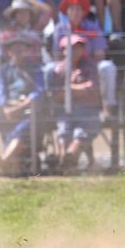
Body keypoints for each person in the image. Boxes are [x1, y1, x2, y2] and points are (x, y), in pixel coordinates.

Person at [53, 0, 117, 115]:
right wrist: (71, 62)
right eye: (72, 9)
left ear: (83, 12)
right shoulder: (60, 29)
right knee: (49, 69)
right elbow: (57, 55)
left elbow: (100, 53)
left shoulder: (93, 27)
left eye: (78, 9)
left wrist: (83, 58)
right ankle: (51, 108)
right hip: (67, 64)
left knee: (107, 67)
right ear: (66, 12)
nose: (75, 12)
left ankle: (108, 108)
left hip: (90, 64)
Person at [50, 34, 101, 172]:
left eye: (79, 47)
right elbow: (57, 95)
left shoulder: (89, 65)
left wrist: (69, 89)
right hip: (65, 112)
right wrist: (80, 89)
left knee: (81, 132)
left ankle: (70, 157)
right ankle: (65, 163)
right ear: (64, 50)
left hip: (88, 110)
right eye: (72, 48)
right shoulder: (58, 70)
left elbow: (92, 89)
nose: (76, 51)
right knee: (64, 132)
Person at [0, 34, 45, 177]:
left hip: (28, 112)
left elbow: (38, 93)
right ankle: (9, 163)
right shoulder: (4, 70)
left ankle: (4, 160)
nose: (19, 53)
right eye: (15, 50)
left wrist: (22, 106)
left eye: (22, 50)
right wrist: (6, 108)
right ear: (9, 52)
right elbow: (2, 93)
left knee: (22, 129)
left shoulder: (35, 69)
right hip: (8, 111)